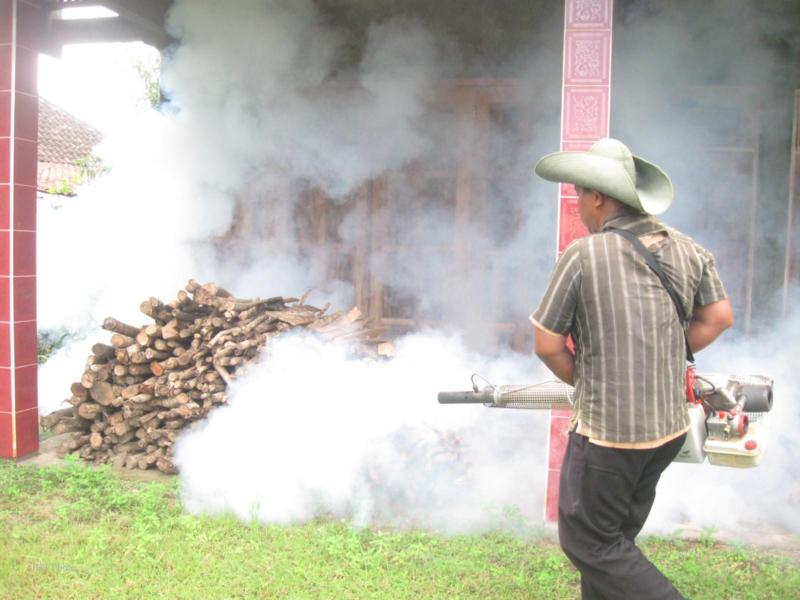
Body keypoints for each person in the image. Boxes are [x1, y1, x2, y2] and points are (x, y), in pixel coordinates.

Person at [529, 138, 734, 599]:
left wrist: (588, 381)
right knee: (614, 542)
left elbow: (546, 344)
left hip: (611, 435)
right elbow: (719, 317)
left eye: (580, 194)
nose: (579, 204)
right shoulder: (688, 249)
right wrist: (661, 354)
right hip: (668, 428)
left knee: (590, 543)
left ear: (598, 197)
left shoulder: (583, 255)